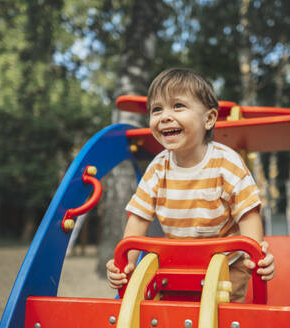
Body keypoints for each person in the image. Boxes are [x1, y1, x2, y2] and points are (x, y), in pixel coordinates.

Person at [106, 68, 275, 302]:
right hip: (179, 261)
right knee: (174, 310)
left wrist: (256, 258)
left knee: (220, 314)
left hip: (228, 263)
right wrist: (126, 265)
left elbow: (248, 214)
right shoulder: (157, 168)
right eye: (157, 109)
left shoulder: (226, 163)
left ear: (208, 119)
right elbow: (138, 218)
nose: (164, 116)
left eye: (178, 106)